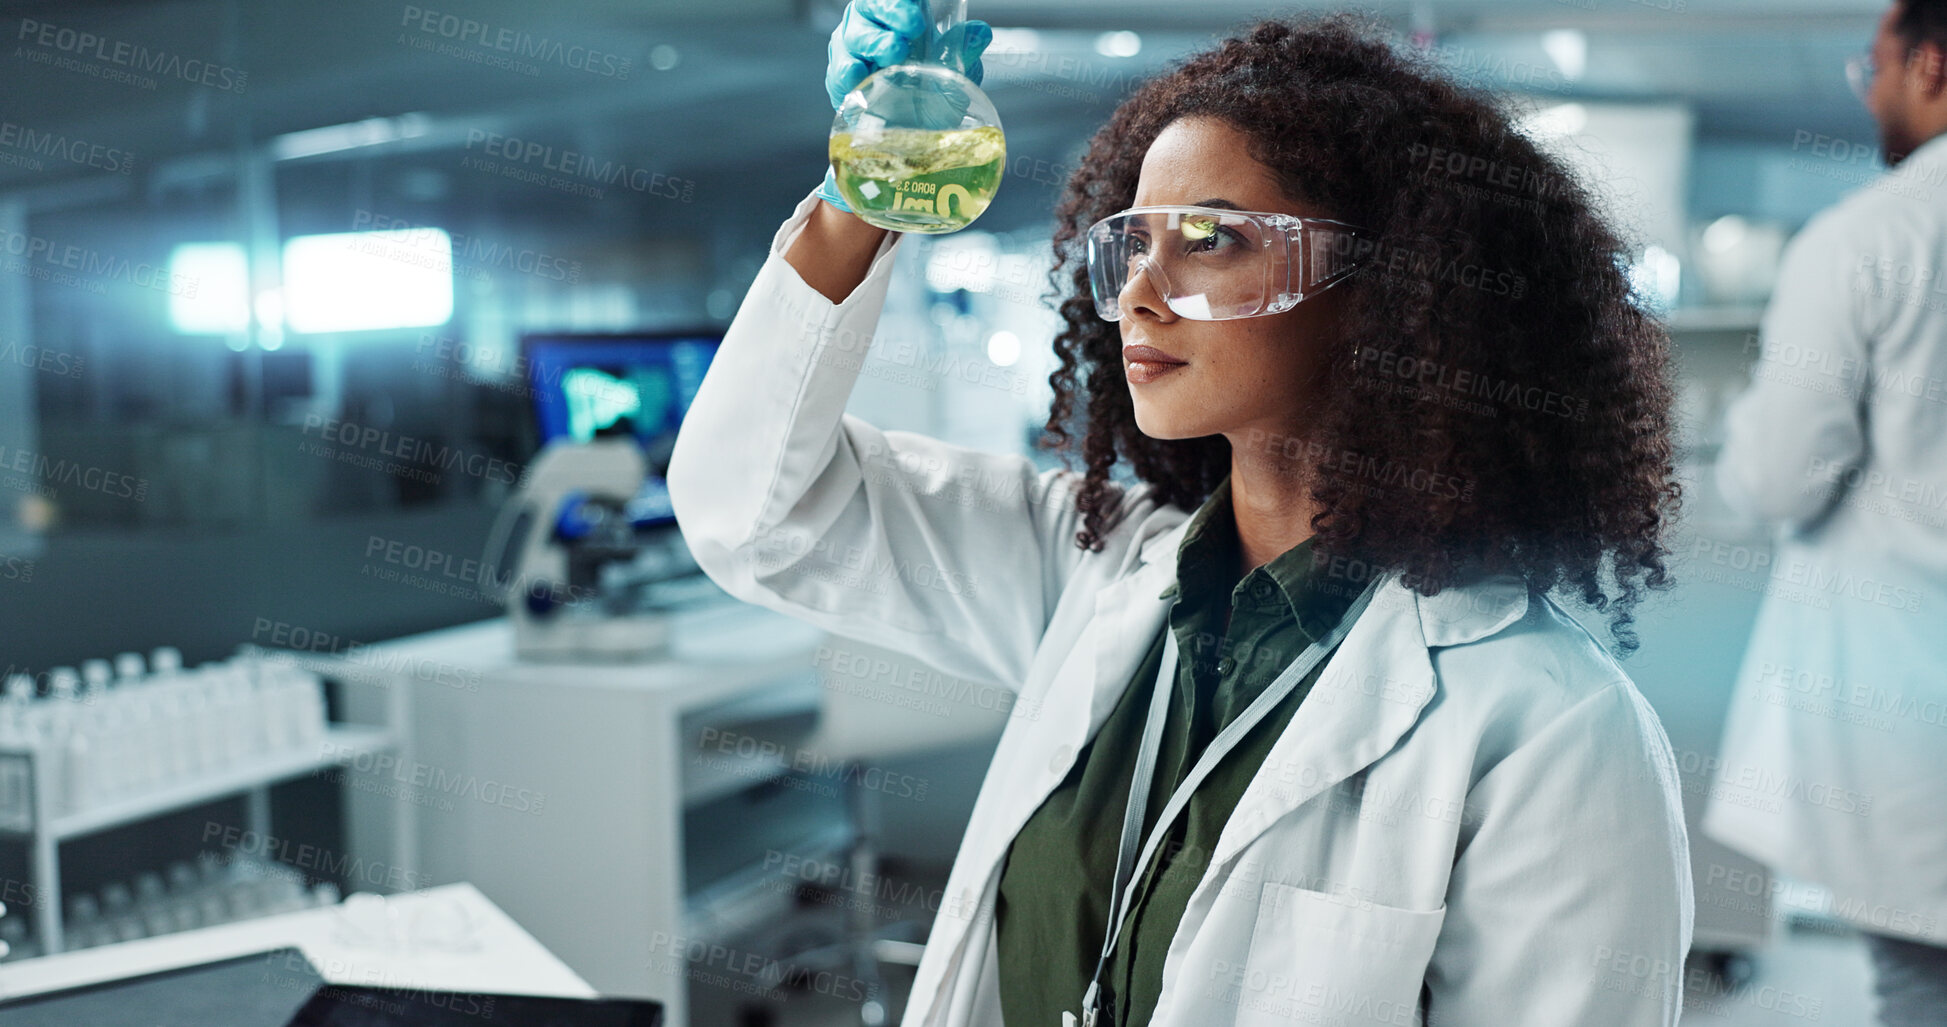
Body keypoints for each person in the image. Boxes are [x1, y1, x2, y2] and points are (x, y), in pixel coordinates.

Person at [668, 5, 1694, 1025]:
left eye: (1210, 241)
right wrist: (867, 191)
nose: (1141, 297)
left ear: (1387, 290)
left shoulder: (1551, 729)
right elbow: (756, 506)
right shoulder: (1097, 569)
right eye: (1133, 244)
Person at [1703, 1, 1947, 1022]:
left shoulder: (1869, 239)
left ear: (1931, 65)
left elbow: (1776, 475)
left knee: (1918, 982)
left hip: (1909, 706)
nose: (1871, 88)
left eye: (1877, 67)